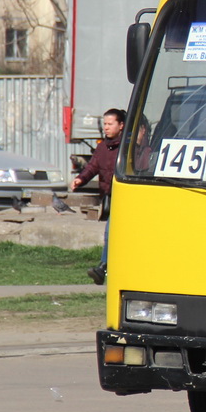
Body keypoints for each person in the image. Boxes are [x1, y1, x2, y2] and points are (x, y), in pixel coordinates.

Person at [74, 108, 125, 284]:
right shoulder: (102, 147)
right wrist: (80, 179)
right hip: (111, 198)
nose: (106, 127)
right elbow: (92, 166)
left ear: (121, 125)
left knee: (111, 233)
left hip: (127, 200)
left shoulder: (129, 147)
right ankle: (105, 268)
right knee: (111, 235)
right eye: (105, 124)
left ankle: (103, 268)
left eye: (110, 124)